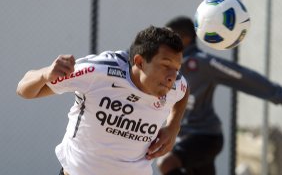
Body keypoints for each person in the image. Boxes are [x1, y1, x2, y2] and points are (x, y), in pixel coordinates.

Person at [16, 26, 189, 175]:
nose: (172, 77)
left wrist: (173, 127)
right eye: (165, 65)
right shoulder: (98, 72)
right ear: (139, 62)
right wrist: (45, 73)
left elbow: (184, 90)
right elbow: (24, 90)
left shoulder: (175, 85)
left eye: (176, 69)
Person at [157, 16, 282, 175]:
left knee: (166, 163)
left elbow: (240, 75)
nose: (164, 43)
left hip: (205, 136)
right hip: (183, 137)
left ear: (186, 39)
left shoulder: (201, 63)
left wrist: (277, 94)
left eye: (170, 38)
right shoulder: (167, 66)